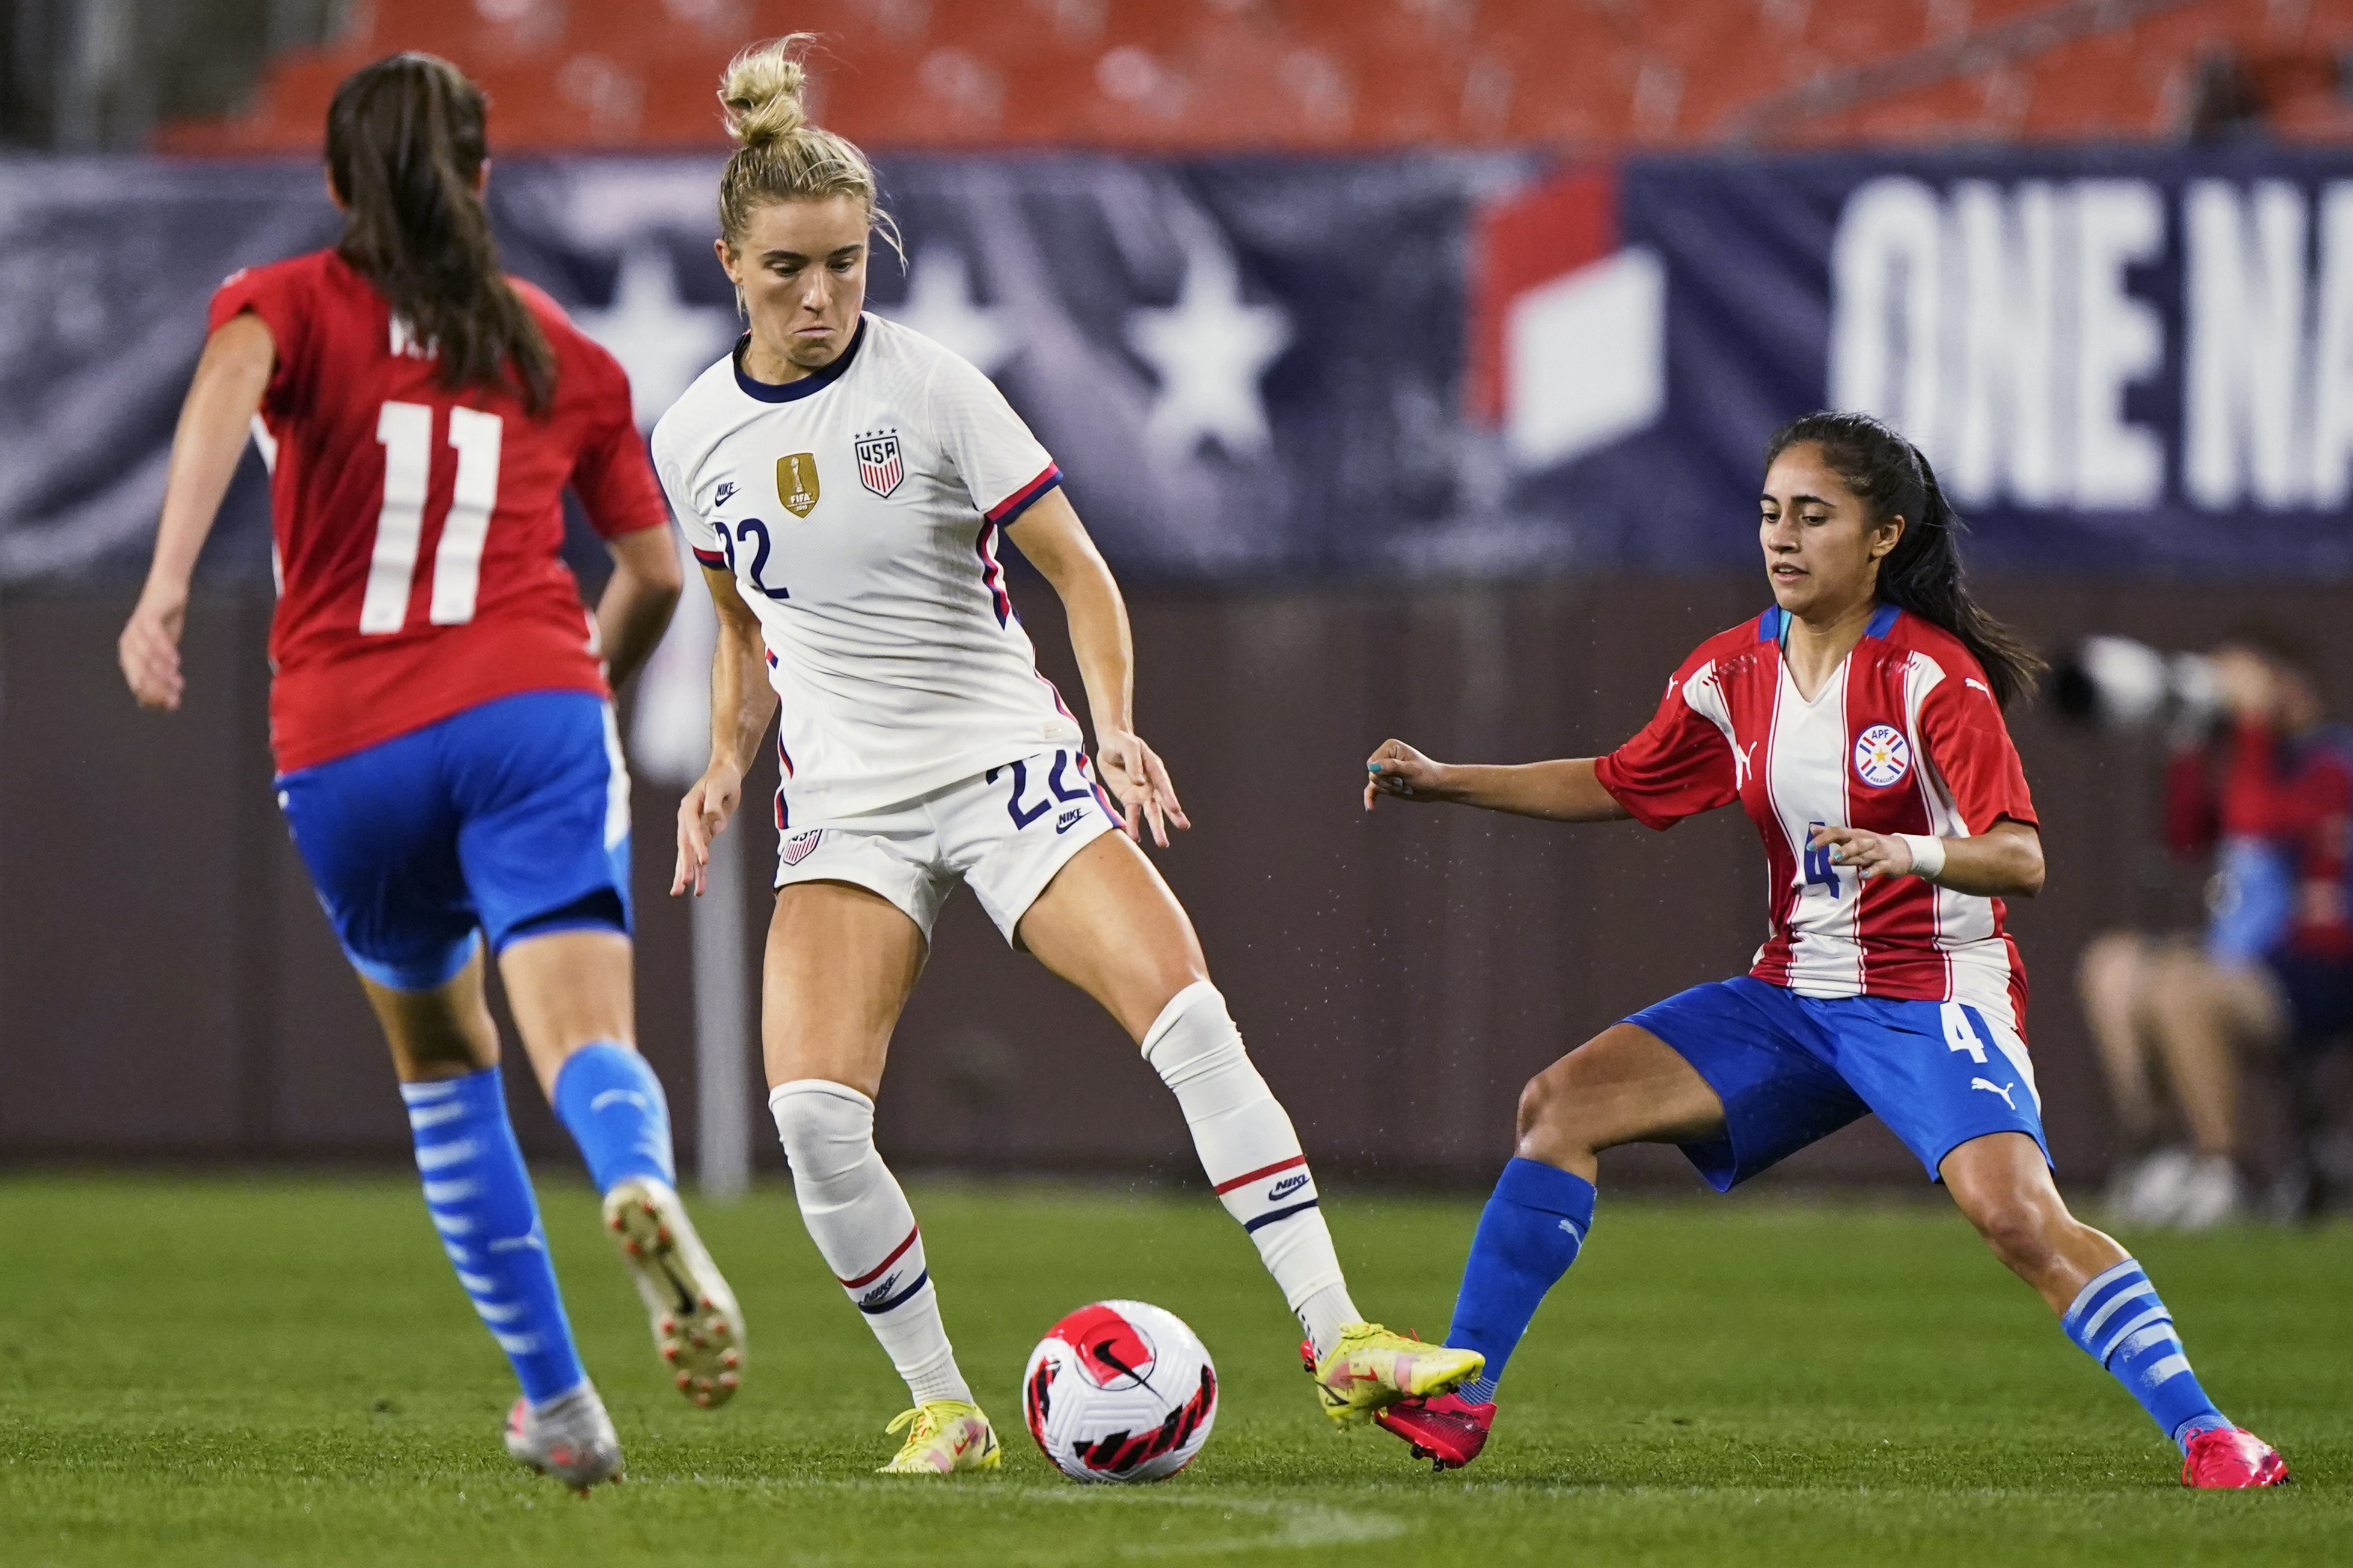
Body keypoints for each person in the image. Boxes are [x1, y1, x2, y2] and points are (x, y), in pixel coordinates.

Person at [659, 35, 1479, 1475]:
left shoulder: (932, 388)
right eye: (787, 267)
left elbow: (1079, 571)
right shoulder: (694, 436)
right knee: (812, 1118)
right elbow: (743, 626)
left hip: (1002, 761)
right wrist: (730, 760)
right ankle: (945, 1405)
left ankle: (1342, 1334)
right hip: (845, 799)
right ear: (730, 259)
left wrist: (1108, 722)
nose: (819, 295)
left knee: (1187, 1013)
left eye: (846, 263)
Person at [1359, 412, 2288, 1489]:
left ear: (1883, 535)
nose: (1782, 538)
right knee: (1560, 1104)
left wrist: (1905, 847)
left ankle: (2212, 1433)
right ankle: (1463, 1398)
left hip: (1930, 993)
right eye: (1768, 514)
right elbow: (1621, 780)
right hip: (1792, 996)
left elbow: (2019, 859)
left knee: (2015, 1217)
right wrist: (1445, 779)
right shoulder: (1730, 669)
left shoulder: (1929, 677)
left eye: (1813, 515)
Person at [115, 53, 742, 1492]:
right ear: (478, 174)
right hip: (527, 705)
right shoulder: (556, 351)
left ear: (337, 182)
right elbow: (651, 574)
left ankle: (563, 1405)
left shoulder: (285, 302)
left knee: (445, 1067)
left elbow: (225, 387)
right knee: (583, 1040)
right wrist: (577, 676)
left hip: (342, 740)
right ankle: (634, 1173)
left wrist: (161, 590)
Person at [2081, 632, 2353, 1224]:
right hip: (2243, 961)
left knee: (2182, 986)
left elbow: (2257, 821)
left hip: (2318, 966)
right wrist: (2187, 736)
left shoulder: (2332, 759)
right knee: (2114, 963)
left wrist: (2254, 720)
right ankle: (2155, 1148)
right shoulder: (2246, 758)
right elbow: (2185, 836)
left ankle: (2225, 1166)